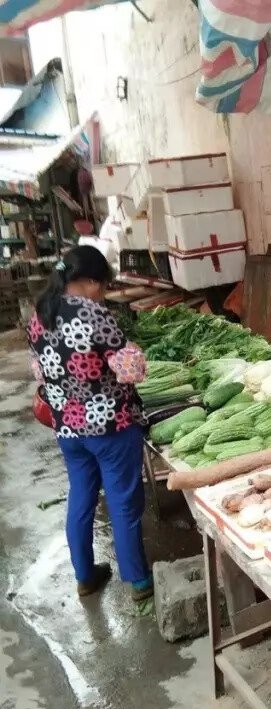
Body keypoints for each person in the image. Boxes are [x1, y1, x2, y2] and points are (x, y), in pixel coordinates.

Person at [28, 246, 153, 602]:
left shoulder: (40, 313)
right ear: (89, 282)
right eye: (102, 285)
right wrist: (135, 352)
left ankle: (85, 576)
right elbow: (130, 371)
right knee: (123, 501)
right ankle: (138, 581)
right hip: (109, 426)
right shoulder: (93, 313)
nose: (103, 293)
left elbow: (39, 370)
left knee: (81, 497)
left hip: (67, 427)